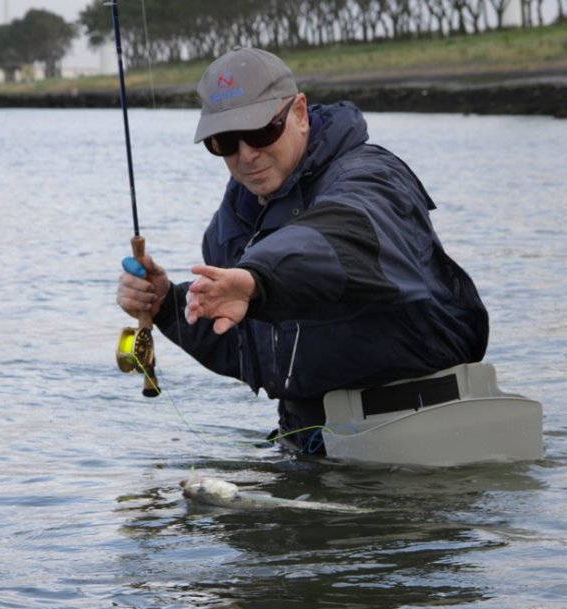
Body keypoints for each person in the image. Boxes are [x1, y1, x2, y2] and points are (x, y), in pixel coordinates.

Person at [117, 47, 489, 455]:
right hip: (310, 445)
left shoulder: (372, 178)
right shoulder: (231, 227)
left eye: (261, 132)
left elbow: (340, 239)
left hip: (423, 435)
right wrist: (170, 303)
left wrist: (258, 279)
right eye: (224, 142)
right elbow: (251, 351)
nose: (246, 155)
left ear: (298, 112)